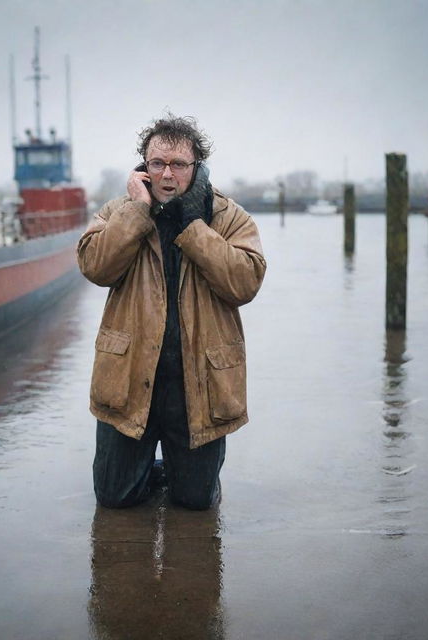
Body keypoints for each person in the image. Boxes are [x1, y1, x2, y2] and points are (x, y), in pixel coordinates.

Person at [77, 114, 266, 510]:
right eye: (157, 163)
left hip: (199, 380)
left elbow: (245, 283)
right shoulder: (119, 212)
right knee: (115, 499)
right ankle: (148, 468)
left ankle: (181, 473)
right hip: (129, 377)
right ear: (142, 168)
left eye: (178, 165)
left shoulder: (229, 217)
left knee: (195, 502)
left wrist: (194, 225)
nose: (167, 174)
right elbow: (95, 267)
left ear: (197, 167)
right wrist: (137, 213)